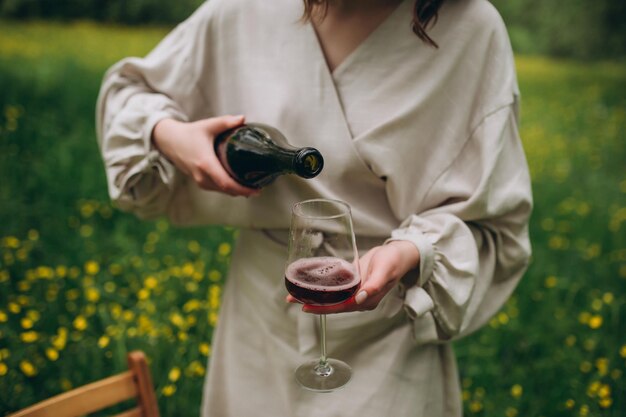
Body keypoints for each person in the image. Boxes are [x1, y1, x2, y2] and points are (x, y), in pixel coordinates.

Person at [96, 0, 532, 415]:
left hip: (386, 335)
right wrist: (169, 134)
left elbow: (495, 227)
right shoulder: (247, 10)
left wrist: (414, 251)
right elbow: (128, 93)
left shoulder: (471, 30)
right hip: (258, 324)